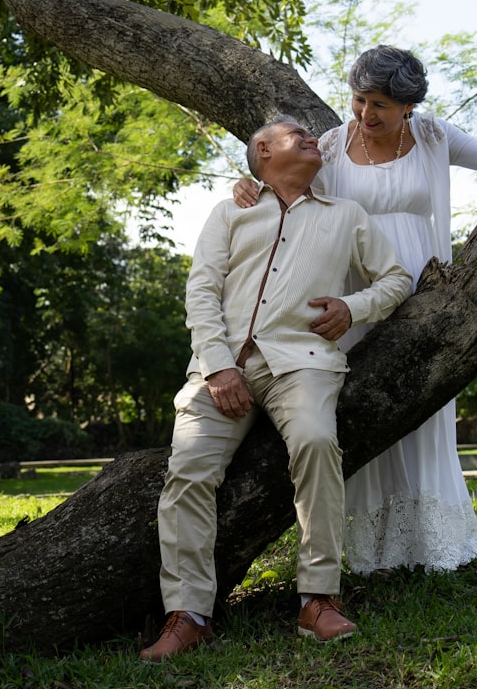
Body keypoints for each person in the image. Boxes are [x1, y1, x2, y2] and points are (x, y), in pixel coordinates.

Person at [233, 46, 477, 575]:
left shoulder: (433, 136)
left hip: (424, 292)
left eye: (380, 104)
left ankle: (428, 545)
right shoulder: (335, 147)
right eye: (360, 100)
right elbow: (285, 191)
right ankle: (367, 550)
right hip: (353, 298)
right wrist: (245, 183)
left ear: (408, 104)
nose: (366, 114)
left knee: (422, 410)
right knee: (362, 407)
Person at [139, 117, 413, 662]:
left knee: (315, 442)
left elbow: (397, 278)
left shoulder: (347, 216)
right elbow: (201, 293)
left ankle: (318, 600)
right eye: (297, 135)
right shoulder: (230, 210)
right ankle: (190, 614)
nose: (314, 138)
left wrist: (353, 307)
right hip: (219, 368)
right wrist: (218, 367)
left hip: (303, 363)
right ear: (263, 151)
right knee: (188, 471)